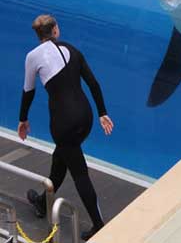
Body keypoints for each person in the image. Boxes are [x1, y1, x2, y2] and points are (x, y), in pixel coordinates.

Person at [17, 15, 114, 241]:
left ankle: (99, 225)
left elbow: (28, 91)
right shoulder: (72, 49)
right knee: (61, 158)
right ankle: (42, 201)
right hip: (86, 117)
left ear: (38, 35)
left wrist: (23, 119)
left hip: (64, 123)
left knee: (79, 172)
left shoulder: (32, 57)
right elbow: (93, 83)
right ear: (56, 30)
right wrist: (102, 113)